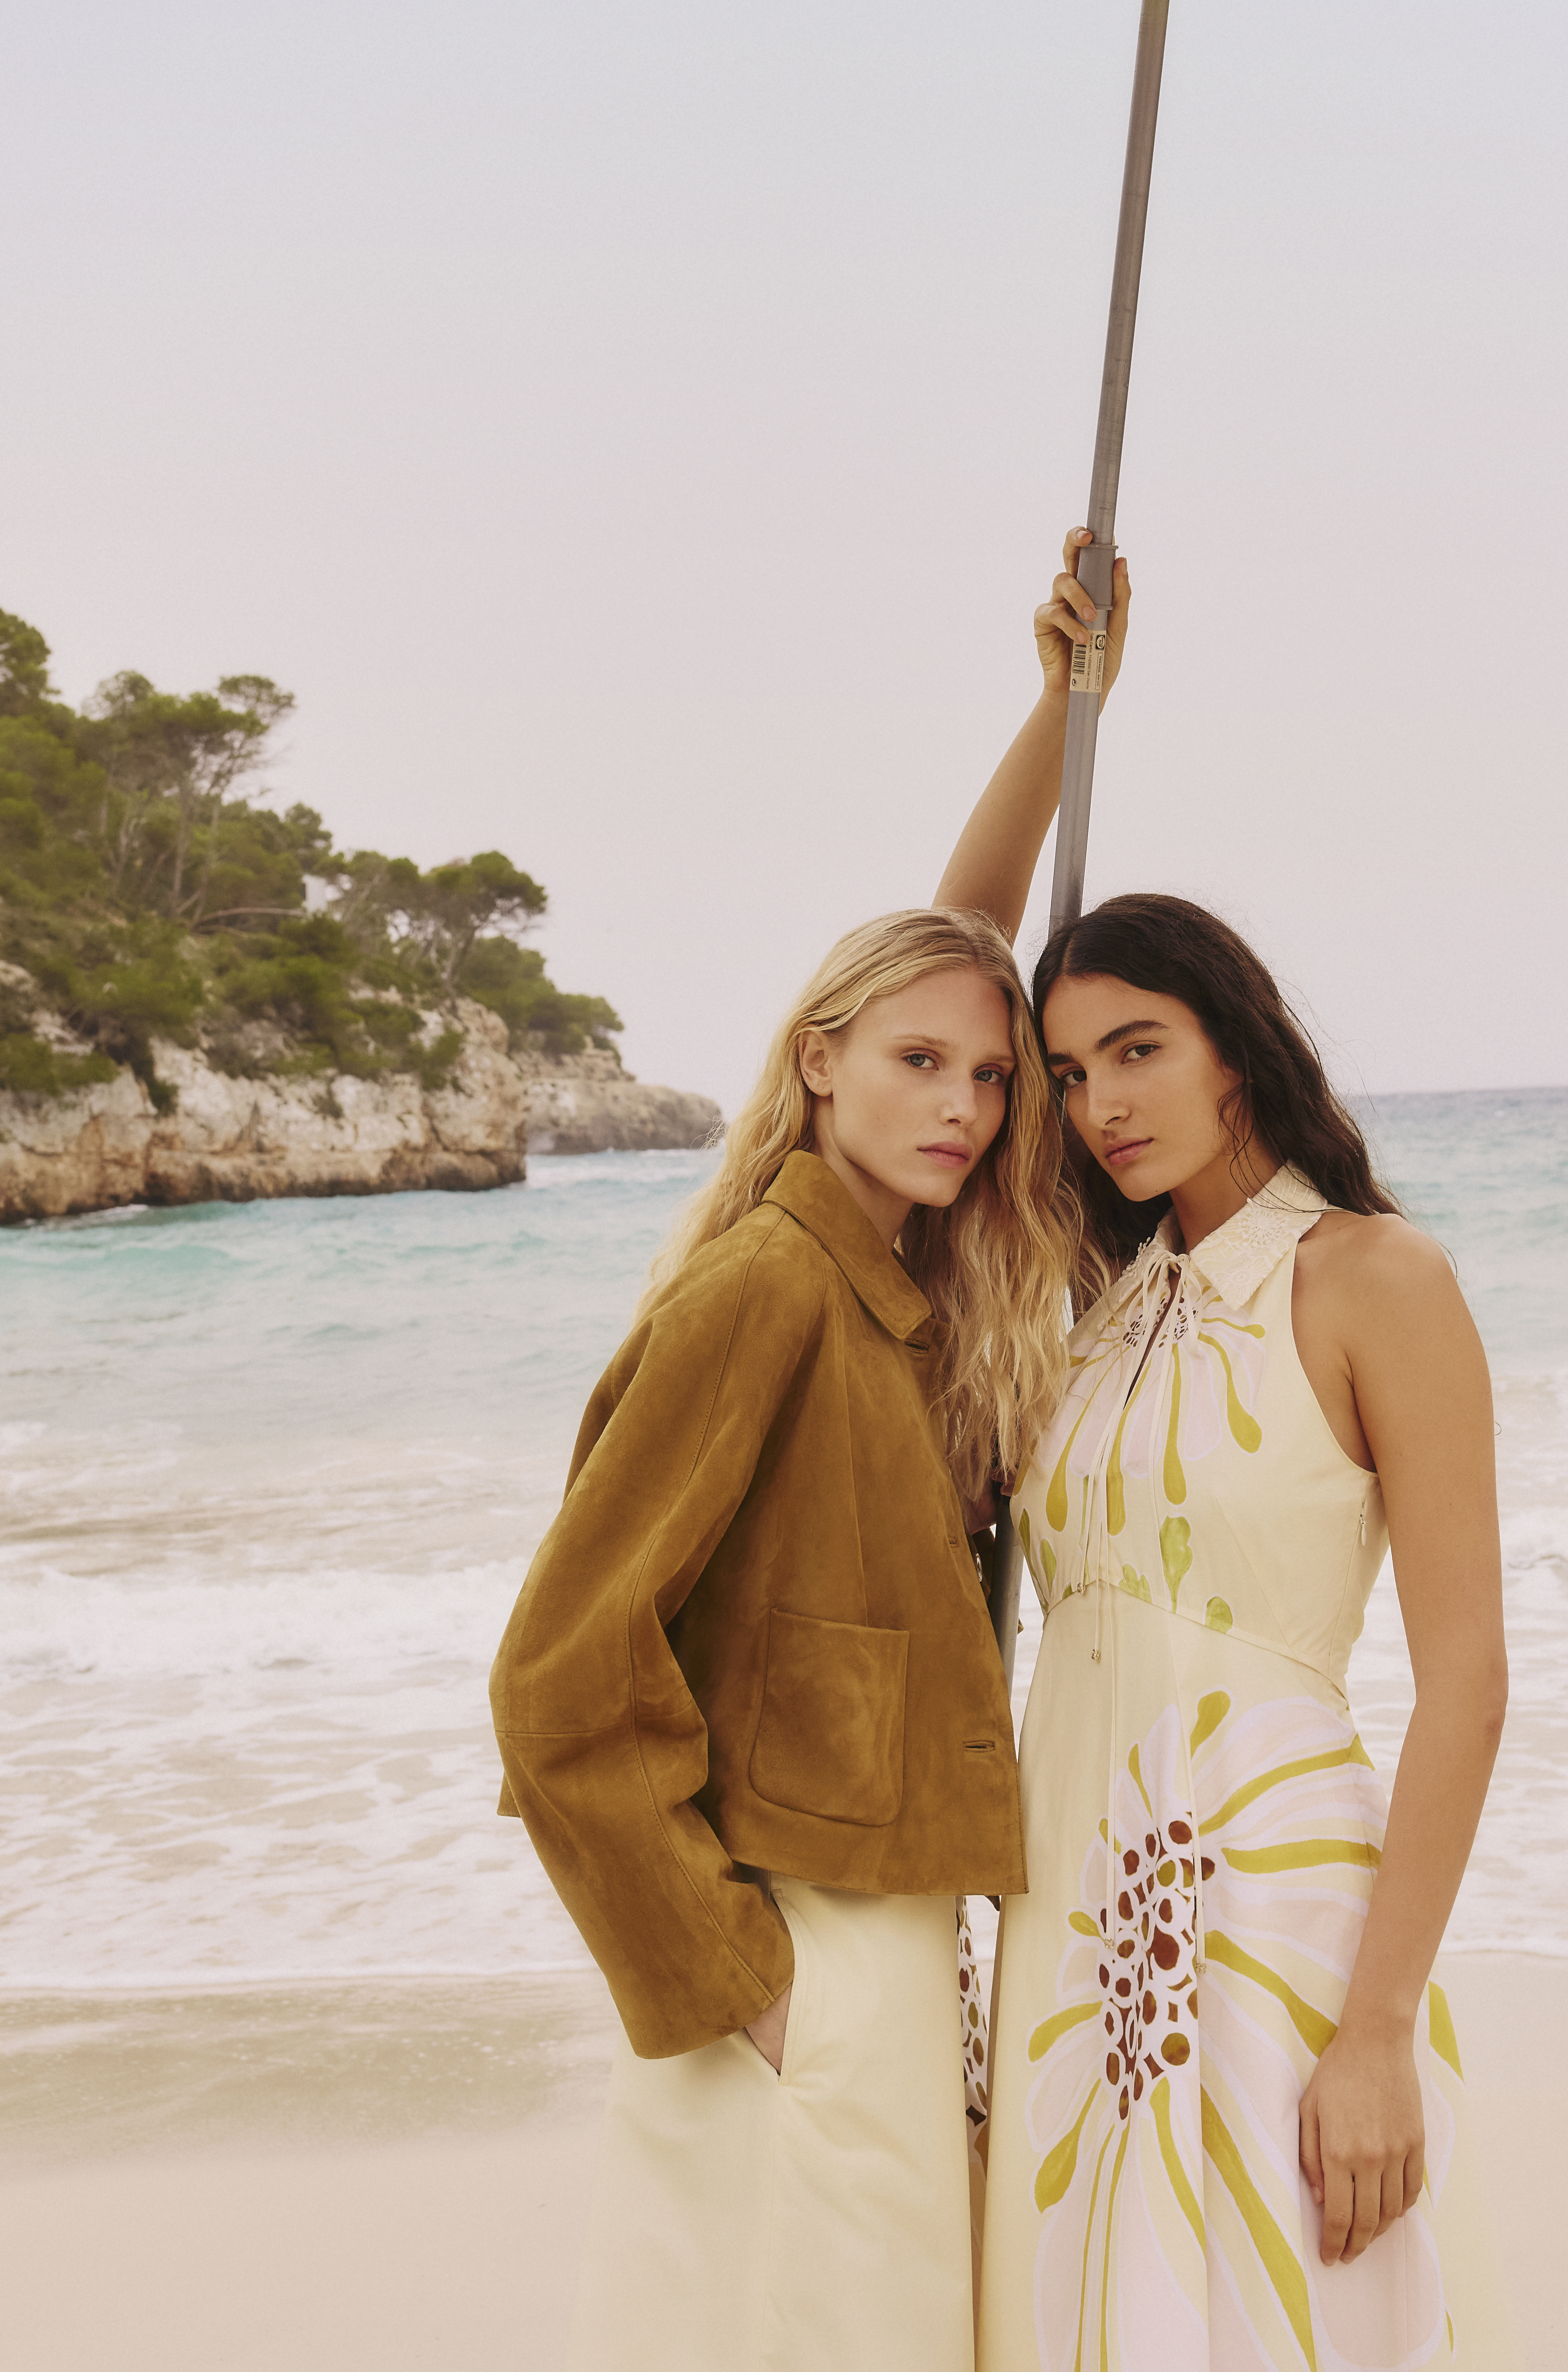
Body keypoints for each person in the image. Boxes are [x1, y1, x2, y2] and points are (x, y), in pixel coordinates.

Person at [940, 539, 1518, 2372]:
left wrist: (1376, 2027)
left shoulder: (1371, 1276)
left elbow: (1469, 1680)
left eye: (1139, 1047)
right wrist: (1062, 707)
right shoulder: (1077, 1299)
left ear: (1235, 1050)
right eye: (1071, 1066)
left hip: (1277, 1907)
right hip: (1058, 1907)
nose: (1097, 1096)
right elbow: (938, 976)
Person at [491, 908, 1077, 2372]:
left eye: (995, 1078)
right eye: (920, 1058)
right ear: (820, 1061)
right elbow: (558, 1676)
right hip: (801, 1958)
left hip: (892, 1951)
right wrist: (745, 1978)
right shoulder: (765, 1284)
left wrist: (1067, 703)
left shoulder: (892, 1302)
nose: (961, 1105)